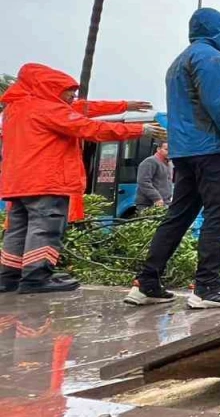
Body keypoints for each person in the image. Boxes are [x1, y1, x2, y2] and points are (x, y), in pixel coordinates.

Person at [127, 8, 220, 309]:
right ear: (215, 30)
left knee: (179, 216)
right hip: (211, 149)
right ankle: (208, 287)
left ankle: (147, 283)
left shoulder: (179, 62)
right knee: (217, 216)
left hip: (184, 152)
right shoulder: (212, 59)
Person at [1, 64, 161, 294]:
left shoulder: (17, 108)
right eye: (68, 91)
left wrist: (124, 106)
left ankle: (9, 277)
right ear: (50, 88)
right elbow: (89, 128)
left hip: (18, 183)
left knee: (18, 229)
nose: (73, 96)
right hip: (46, 182)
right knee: (45, 229)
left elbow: (84, 108)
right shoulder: (48, 109)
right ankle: (36, 277)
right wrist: (139, 130)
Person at [134, 141, 173, 209]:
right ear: (158, 149)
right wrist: (156, 198)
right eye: (166, 149)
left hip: (164, 203)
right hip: (148, 204)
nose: (169, 152)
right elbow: (143, 182)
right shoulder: (150, 162)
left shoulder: (169, 163)